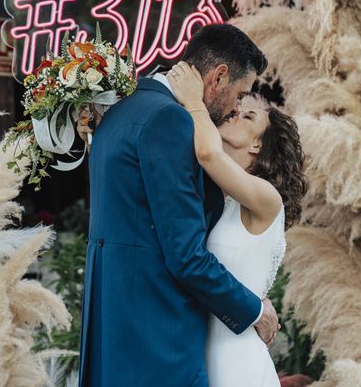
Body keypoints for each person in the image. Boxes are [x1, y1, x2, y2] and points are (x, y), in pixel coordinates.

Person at [76, 24, 280, 387]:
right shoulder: (169, 120)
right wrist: (254, 311)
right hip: (157, 343)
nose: (237, 107)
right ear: (218, 77)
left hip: (114, 336)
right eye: (240, 94)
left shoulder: (124, 109)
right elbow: (184, 255)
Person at [167, 61, 307, 386]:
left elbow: (209, 155)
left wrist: (194, 102)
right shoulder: (223, 198)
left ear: (257, 145)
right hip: (204, 354)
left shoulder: (267, 198)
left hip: (236, 361)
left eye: (249, 117)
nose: (237, 112)